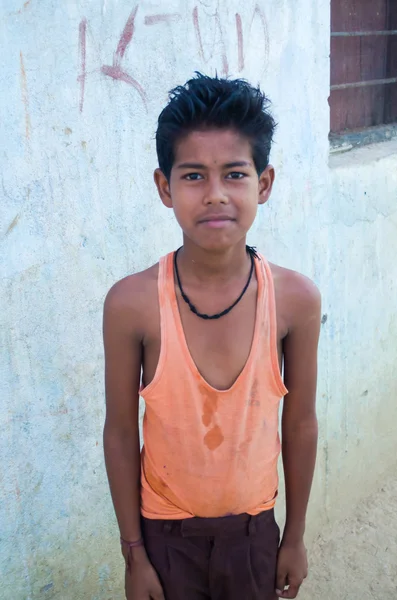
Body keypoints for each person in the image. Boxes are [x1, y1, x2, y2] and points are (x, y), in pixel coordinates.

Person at [103, 73, 321, 600]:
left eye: (235, 174)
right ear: (165, 187)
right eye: (195, 175)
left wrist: (293, 537)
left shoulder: (294, 300)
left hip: (253, 534)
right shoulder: (132, 304)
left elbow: (300, 424)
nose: (216, 194)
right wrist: (134, 554)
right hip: (164, 539)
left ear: (263, 184)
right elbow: (118, 433)